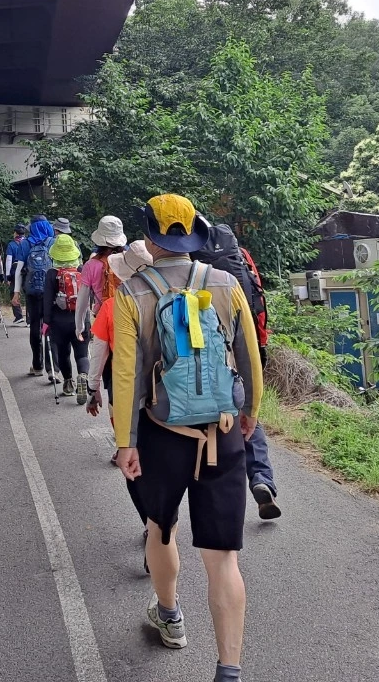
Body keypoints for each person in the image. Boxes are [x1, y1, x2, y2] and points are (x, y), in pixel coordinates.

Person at [111, 194, 262, 681]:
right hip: (222, 431)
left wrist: (125, 441)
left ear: (149, 236)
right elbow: (249, 354)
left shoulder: (132, 292)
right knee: (223, 559)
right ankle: (229, 670)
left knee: (162, 527)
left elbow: (128, 374)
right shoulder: (225, 283)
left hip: (162, 435)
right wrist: (250, 412)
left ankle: (170, 614)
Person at [194, 220, 282, 521]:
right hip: (246, 346)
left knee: (208, 420)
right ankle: (261, 478)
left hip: (205, 356)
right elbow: (257, 300)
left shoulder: (193, 265)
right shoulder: (240, 256)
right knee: (246, 412)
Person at [87, 240, 154, 543]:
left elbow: (99, 352)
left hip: (124, 390)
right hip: (166, 392)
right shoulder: (172, 297)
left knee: (131, 458)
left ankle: (151, 522)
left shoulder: (112, 306)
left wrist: (92, 388)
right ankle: (164, 519)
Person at [43, 232, 91, 400]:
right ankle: (83, 375)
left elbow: (47, 300)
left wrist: (46, 322)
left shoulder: (52, 273)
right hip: (80, 319)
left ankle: (68, 383)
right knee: (82, 352)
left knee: (63, 353)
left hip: (59, 321)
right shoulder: (82, 270)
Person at [76, 215, 127, 336]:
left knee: (100, 349)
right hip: (126, 318)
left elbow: (82, 301)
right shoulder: (128, 260)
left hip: (102, 317)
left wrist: (79, 327)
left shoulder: (90, 265)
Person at [18, 215, 55, 376]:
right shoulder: (53, 243)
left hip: (32, 291)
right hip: (50, 290)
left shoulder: (25, 243)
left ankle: (37, 365)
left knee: (35, 325)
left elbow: (19, 270)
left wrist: (16, 292)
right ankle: (52, 368)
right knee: (50, 326)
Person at [4, 223, 30, 325]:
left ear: (15, 233)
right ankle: (29, 319)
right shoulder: (27, 243)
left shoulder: (12, 244)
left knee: (13, 291)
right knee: (28, 294)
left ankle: (18, 316)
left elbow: (8, 260)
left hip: (15, 270)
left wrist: (7, 276)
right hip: (27, 269)